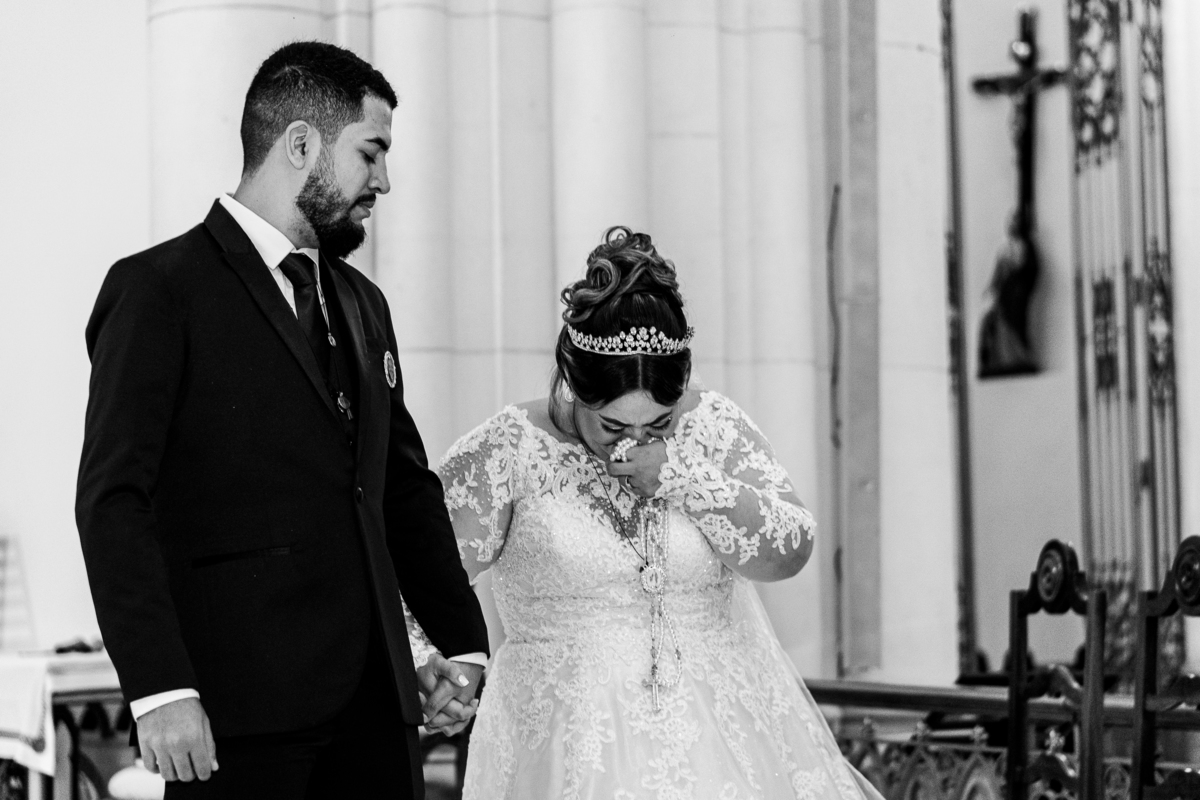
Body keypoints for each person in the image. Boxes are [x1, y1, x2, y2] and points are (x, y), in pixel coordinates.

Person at [75, 41, 489, 799]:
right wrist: (161, 689)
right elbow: (113, 503)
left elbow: (399, 487)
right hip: (237, 711)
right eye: (372, 153)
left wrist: (461, 642)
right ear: (302, 144)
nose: (384, 182)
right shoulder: (158, 291)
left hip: (377, 709)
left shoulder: (364, 304)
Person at [413, 226, 885, 798]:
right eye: (612, 425)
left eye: (658, 424)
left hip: (724, 743)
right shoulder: (511, 449)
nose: (631, 444)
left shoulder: (713, 427)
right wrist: (435, 669)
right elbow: (414, 578)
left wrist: (686, 479)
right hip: (566, 751)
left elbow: (791, 549)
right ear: (571, 385)